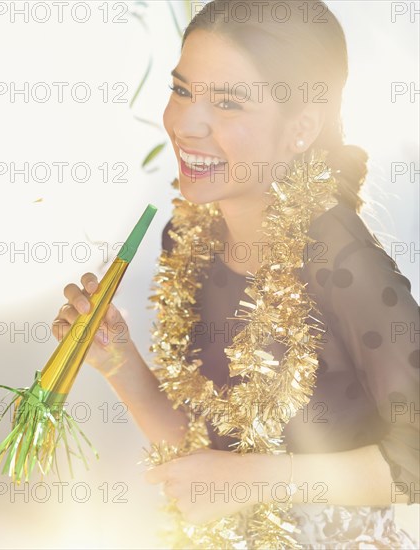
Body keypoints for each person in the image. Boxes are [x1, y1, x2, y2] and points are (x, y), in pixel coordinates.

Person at [52, 1, 419, 547]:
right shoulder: (191, 238)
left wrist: (247, 480)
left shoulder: (342, 261)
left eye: (228, 104)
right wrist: (120, 363)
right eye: (181, 90)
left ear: (301, 128)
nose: (186, 124)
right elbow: (206, 465)